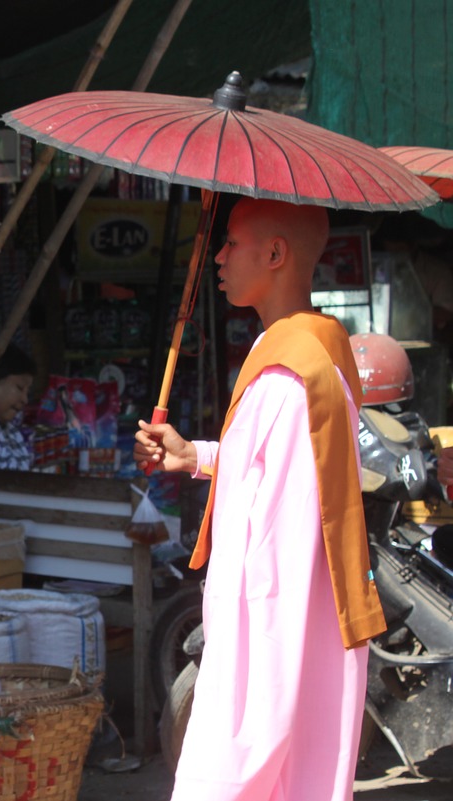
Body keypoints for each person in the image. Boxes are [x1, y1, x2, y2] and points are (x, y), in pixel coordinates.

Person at [134, 198, 384, 801]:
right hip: (274, 614)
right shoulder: (300, 347)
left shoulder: (293, 372)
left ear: (275, 254)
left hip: (274, 622)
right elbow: (269, 471)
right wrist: (195, 456)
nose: (218, 256)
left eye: (232, 242)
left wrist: (249, 654)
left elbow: (285, 531)